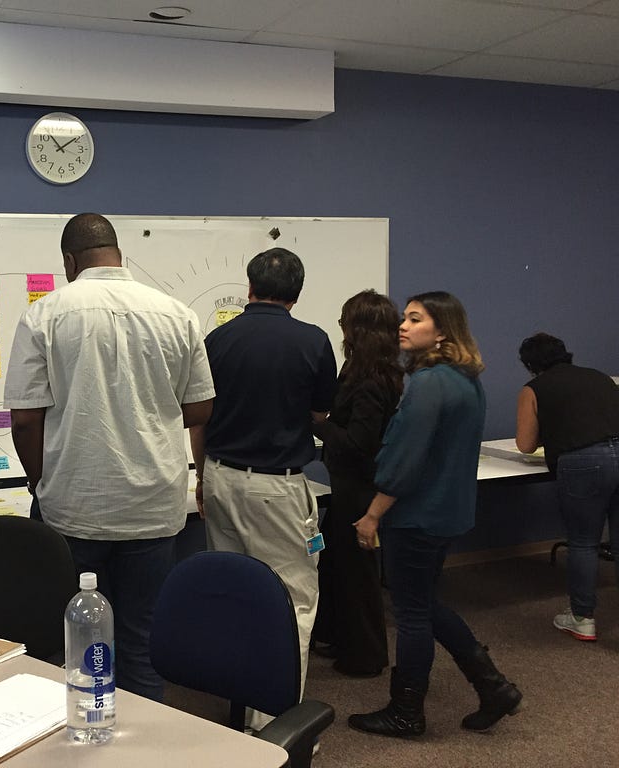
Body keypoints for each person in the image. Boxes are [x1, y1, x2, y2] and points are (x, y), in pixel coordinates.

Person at [3, 212, 215, 701]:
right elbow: (201, 407)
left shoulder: (44, 314)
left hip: (73, 506)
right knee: (141, 643)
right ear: (120, 255)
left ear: (70, 260)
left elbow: (24, 420)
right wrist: (145, 419)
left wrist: (42, 481)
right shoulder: (176, 313)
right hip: (152, 508)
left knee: (77, 641)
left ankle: (83, 738)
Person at [349, 291, 522, 738]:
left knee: (410, 613)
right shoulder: (465, 378)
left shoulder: (428, 382)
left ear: (442, 330)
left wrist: (371, 516)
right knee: (423, 604)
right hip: (447, 513)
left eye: (415, 319)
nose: (402, 326)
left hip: (417, 516)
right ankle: (494, 687)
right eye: (403, 318)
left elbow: (404, 462)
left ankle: (406, 712)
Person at [190, 247, 337, 729]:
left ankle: (239, 704)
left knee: (237, 592)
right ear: (297, 293)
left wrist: (201, 474)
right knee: (292, 600)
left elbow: (200, 416)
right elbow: (320, 414)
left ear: (249, 287)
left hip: (220, 478)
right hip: (278, 485)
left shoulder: (217, 338)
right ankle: (275, 725)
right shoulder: (313, 342)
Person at [310, 290, 401, 678]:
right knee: (334, 562)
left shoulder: (372, 381)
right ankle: (337, 636)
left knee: (359, 574)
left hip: (359, 487)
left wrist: (317, 423)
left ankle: (366, 655)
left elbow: (358, 442)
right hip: (346, 483)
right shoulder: (358, 370)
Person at [516, 332, 619, 642]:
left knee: (584, 542)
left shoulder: (534, 388)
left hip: (583, 462)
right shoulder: (600, 378)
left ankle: (582, 618)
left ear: (531, 364)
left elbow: (525, 443)